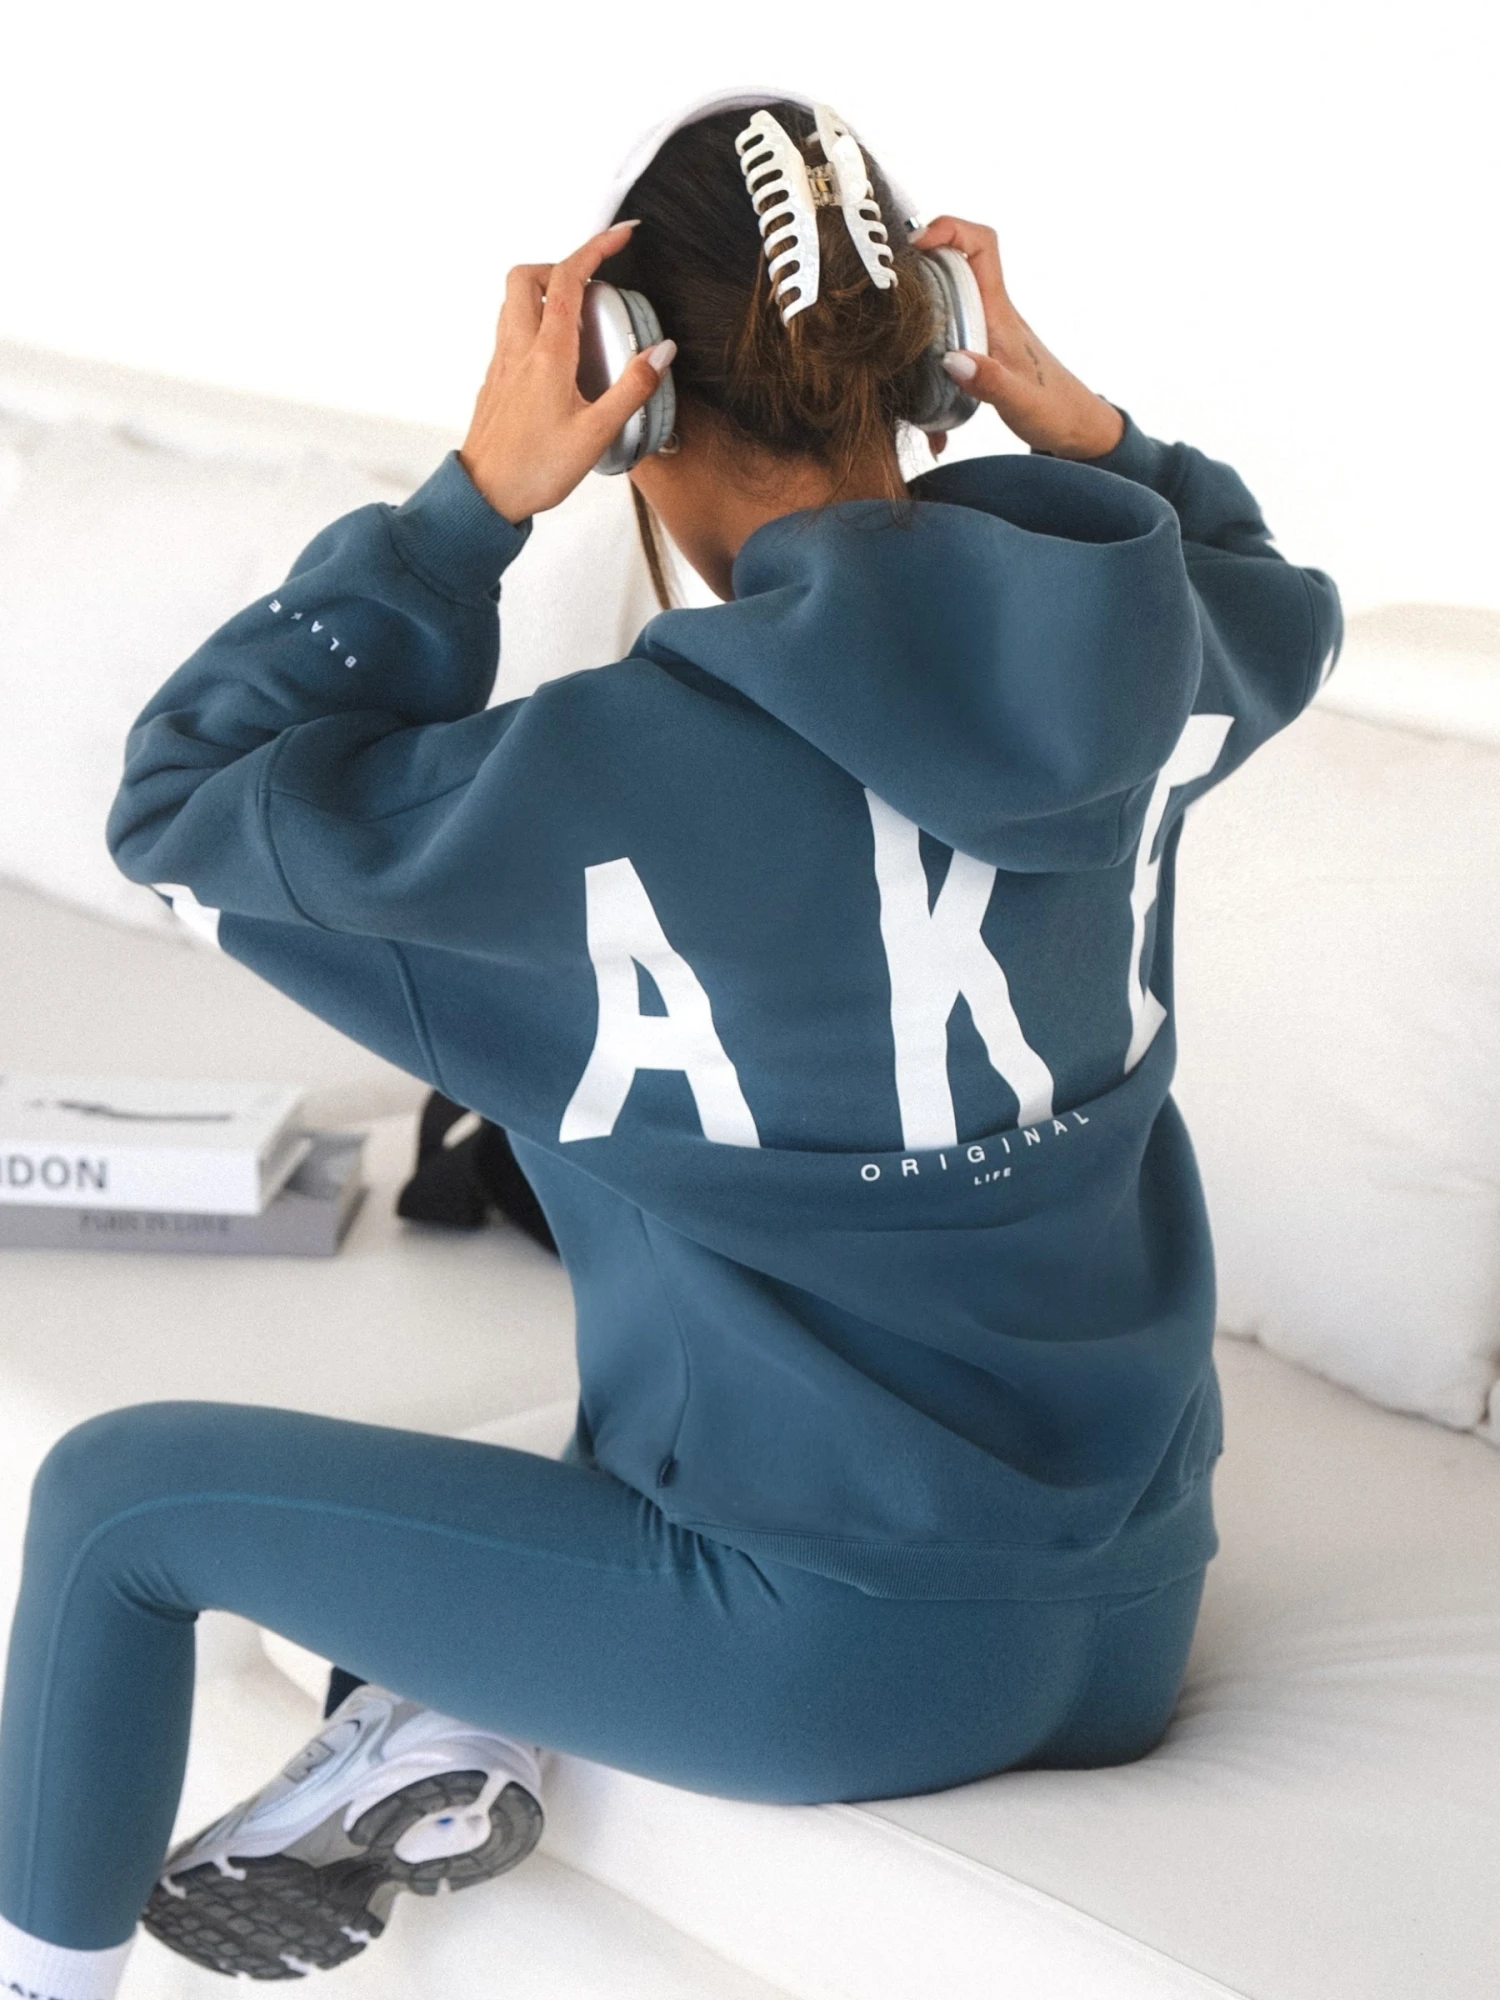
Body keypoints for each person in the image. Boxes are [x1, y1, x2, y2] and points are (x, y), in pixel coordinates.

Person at [0, 92, 1339, 1999]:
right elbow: (1265, 579)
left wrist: (471, 503)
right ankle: (436, 1718)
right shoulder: (1148, 680)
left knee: (115, 1501)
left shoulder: (606, 781)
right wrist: (1084, 424)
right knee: (593, 1359)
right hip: (1130, 1613)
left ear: (633, 393)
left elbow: (181, 798)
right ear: (939, 364)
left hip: (820, 1661)